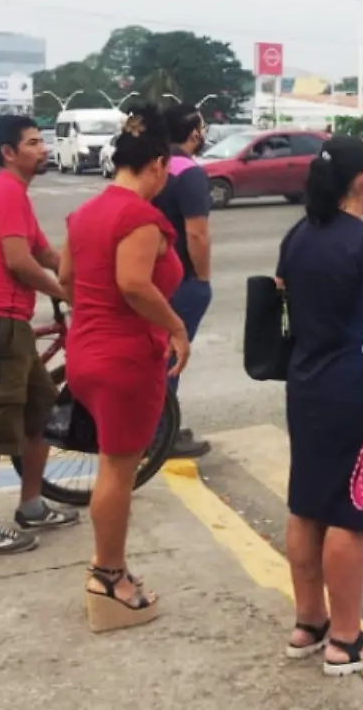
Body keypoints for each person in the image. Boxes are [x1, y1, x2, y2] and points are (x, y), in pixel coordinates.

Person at [59, 106, 191, 632]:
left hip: (86, 351)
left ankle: (109, 569)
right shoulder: (138, 217)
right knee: (118, 469)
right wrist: (177, 328)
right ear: (157, 164)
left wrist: (93, 315)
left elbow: (67, 277)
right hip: (126, 357)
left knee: (109, 467)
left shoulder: (85, 213)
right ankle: (108, 578)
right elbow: (135, 285)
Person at [278, 135, 363, 674]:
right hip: (350, 387)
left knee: (306, 504)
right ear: (362, 181)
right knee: (347, 513)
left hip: (303, 382)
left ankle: (310, 623)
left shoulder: (298, 235)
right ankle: (347, 639)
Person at [0, 113, 77, 555]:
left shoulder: (18, 195)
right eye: (33, 142)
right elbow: (19, 263)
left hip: (13, 328)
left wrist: (83, 276)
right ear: (9, 152)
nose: (43, 149)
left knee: (41, 411)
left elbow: (42, 251)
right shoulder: (5, 191)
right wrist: (67, 292)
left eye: (42, 141)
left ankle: (32, 505)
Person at [153, 103, 214, 459]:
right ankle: (161, 433)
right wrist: (202, 278)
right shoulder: (189, 172)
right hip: (180, 279)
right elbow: (197, 235)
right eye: (202, 128)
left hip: (151, 275)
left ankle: (161, 424)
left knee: (158, 354)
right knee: (172, 356)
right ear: (193, 133)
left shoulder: (156, 166)